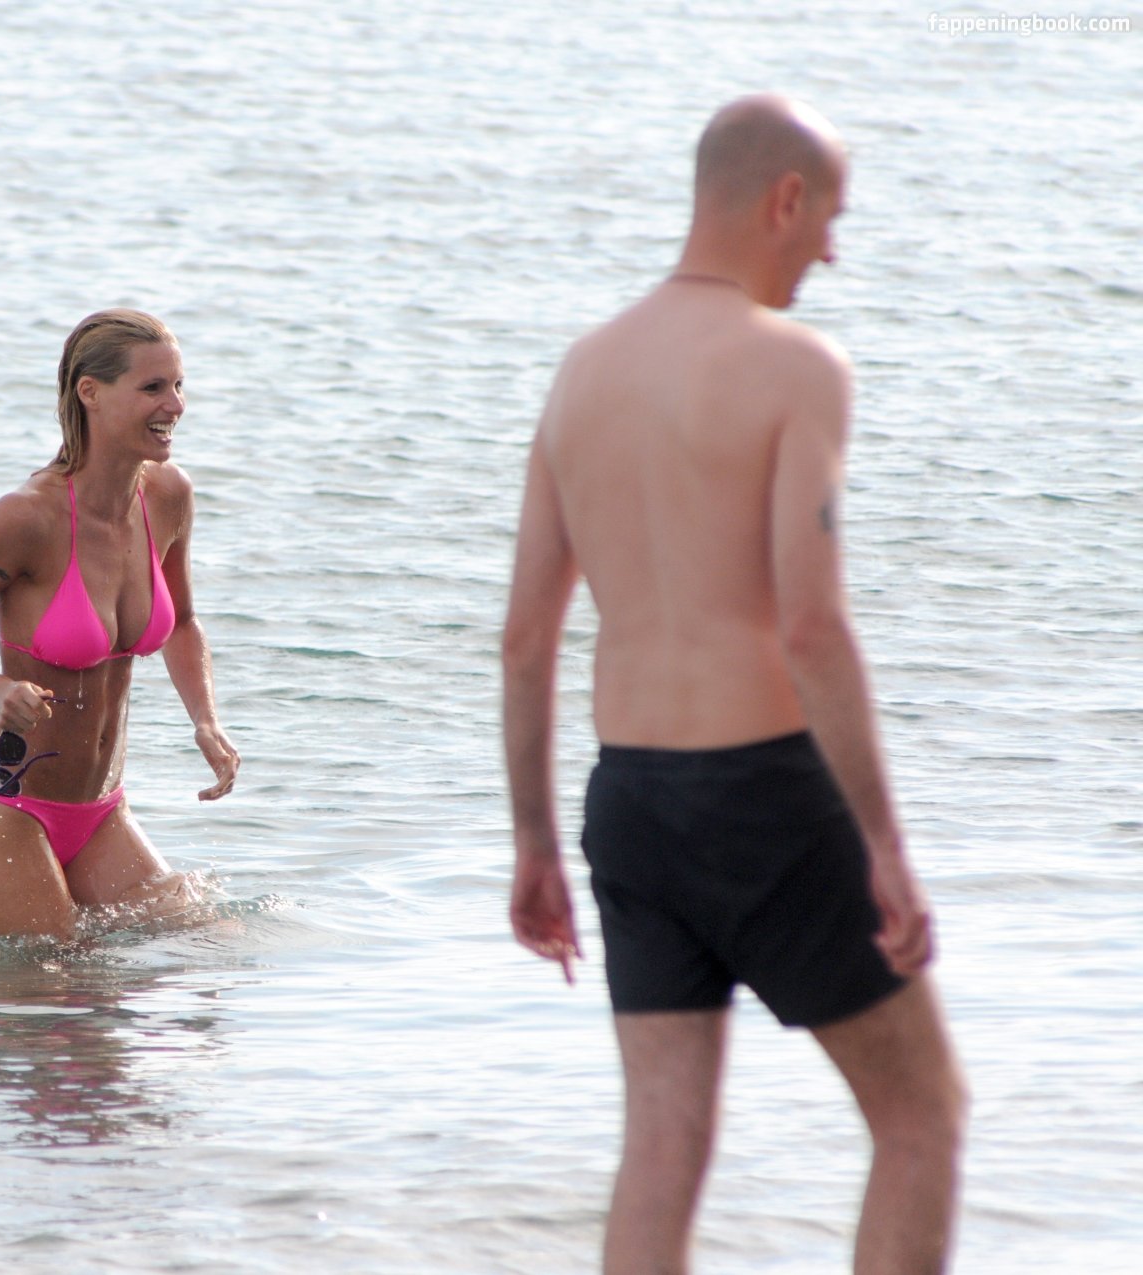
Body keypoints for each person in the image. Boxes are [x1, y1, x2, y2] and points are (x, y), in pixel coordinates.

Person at [501, 96, 967, 1274]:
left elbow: (524, 639)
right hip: (764, 796)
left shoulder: (584, 371)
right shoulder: (796, 367)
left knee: (662, 1150)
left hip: (630, 804)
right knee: (921, 1114)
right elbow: (811, 625)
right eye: (832, 220)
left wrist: (536, 845)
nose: (832, 252)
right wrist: (885, 844)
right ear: (785, 200)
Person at [0, 308, 239, 941]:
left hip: (101, 810)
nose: (176, 405)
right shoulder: (26, 517)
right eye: (153, 387)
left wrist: (206, 719)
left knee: (208, 947)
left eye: (178, 385)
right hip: (2, 807)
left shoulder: (168, 496)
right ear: (91, 392)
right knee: (49, 988)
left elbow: (184, 622)